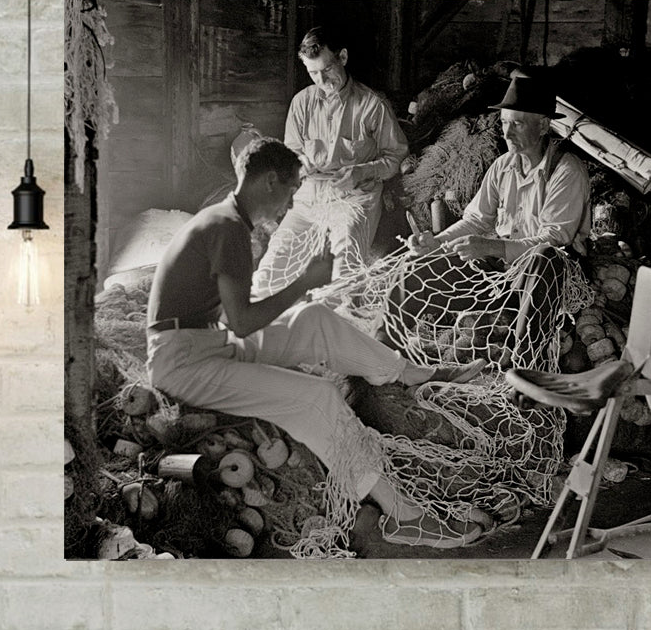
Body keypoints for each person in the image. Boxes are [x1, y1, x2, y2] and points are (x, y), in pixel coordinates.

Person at [146, 136, 484, 549]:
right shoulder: (226, 228)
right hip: (182, 364)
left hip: (209, 342)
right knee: (317, 397)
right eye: (291, 191)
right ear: (270, 181)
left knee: (312, 318)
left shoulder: (226, 222)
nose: (290, 205)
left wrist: (301, 296)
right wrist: (304, 281)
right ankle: (403, 516)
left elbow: (229, 317)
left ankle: (409, 373)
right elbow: (244, 321)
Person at [402, 67, 592, 353]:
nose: (507, 132)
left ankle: (525, 354)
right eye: (504, 123)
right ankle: (391, 342)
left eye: (517, 124)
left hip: (542, 276)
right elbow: (476, 220)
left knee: (545, 260)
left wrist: (491, 247)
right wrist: (436, 243)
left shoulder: (566, 170)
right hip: (499, 269)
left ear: (542, 126)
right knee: (417, 263)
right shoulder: (503, 166)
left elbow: (554, 240)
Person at [251, 26, 408, 298]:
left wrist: (362, 171)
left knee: (344, 271)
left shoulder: (372, 105)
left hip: (354, 198)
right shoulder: (301, 103)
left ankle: (333, 328)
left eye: (326, 70)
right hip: (309, 199)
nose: (321, 80)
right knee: (270, 270)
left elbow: (396, 156)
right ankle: (272, 331)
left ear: (343, 58)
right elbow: (291, 152)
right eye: (313, 73)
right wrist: (299, 164)